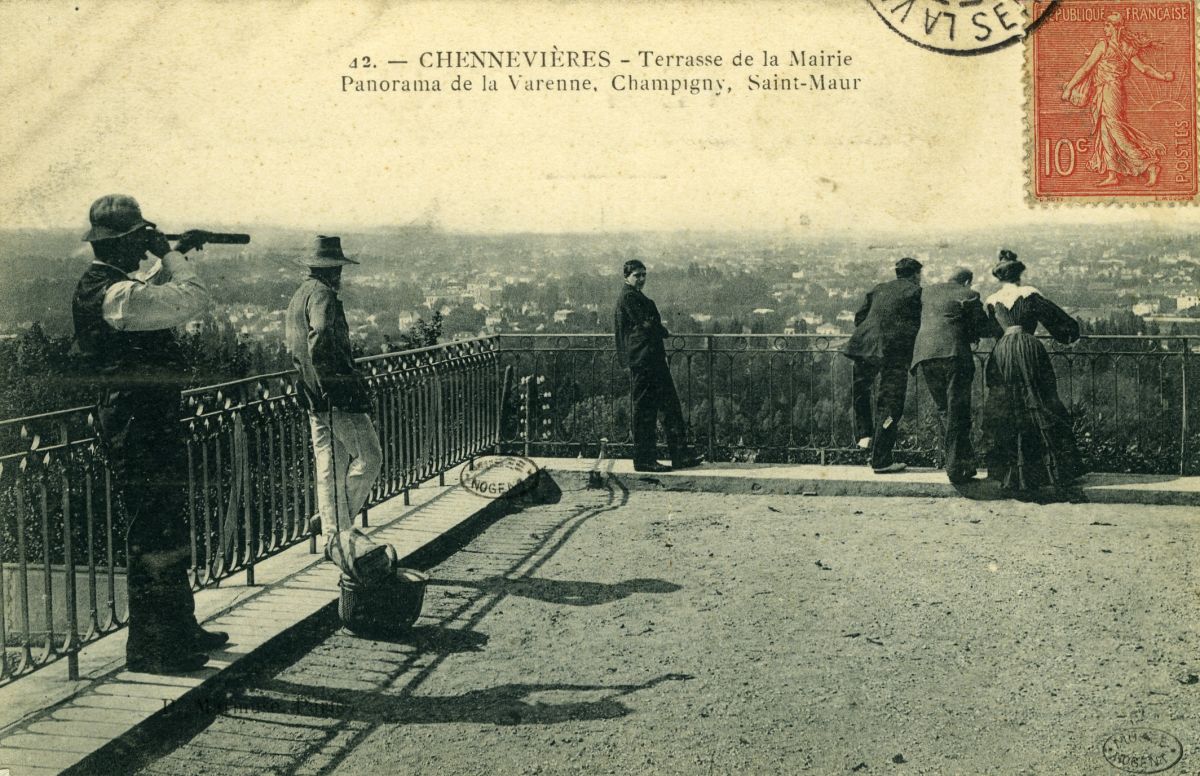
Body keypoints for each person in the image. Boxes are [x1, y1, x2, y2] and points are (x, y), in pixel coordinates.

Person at [72, 194, 227, 674]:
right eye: (137, 239)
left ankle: (179, 628)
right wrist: (171, 255)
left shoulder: (111, 288)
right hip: (136, 426)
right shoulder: (117, 296)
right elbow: (190, 298)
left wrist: (171, 255)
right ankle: (152, 648)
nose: (142, 247)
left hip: (142, 421)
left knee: (166, 527)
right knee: (151, 532)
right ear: (120, 243)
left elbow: (147, 293)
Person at [285, 236, 382, 547]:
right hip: (335, 395)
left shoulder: (299, 295)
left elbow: (296, 347)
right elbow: (322, 334)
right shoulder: (323, 295)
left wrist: (315, 383)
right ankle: (337, 524)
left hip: (311, 394)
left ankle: (331, 532)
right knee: (370, 458)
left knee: (329, 466)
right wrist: (334, 384)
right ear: (333, 269)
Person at [980, 250, 1085, 491]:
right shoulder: (1029, 294)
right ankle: (1050, 470)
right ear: (1019, 275)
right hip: (1029, 350)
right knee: (1041, 400)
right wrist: (1070, 336)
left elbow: (991, 331)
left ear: (999, 277)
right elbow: (1058, 321)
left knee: (1008, 405)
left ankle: (1009, 472)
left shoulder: (992, 301)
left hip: (1003, 354)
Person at [1061, 12, 1174, 187]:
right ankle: (1112, 174)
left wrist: (1069, 87)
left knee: (1115, 131)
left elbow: (1086, 68)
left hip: (1110, 91)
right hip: (1106, 91)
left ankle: (1149, 165)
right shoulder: (1123, 47)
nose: (1104, 29)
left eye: (1107, 25)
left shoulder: (1104, 45)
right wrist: (1163, 76)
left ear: (1116, 27)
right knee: (1105, 131)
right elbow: (1143, 68)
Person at [613, 259, 702, 472]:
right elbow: (647, 324)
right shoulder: (629, 297)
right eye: (637, 275)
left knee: (670, 406)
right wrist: (663, 331)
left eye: (644, 275)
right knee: (646, 411)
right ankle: (644, 460)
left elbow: (647, 323)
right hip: (643, 361)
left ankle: (680, 455)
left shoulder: (633, 296)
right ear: (626, 277)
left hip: (651, 359)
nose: (642, 279)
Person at [910, 267, 991, 483]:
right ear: (967, 282)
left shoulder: (927, 291)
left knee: (945, 410)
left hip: (925, 355)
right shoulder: (969, 294)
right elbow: (982, 325)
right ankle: (955, 468)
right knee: (958, 411)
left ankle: (964, 464)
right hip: (954, 355)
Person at [843, 257, 923, 474]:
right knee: (890, 403)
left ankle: (864, 435)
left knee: (860, 391)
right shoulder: (916, 292)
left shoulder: (879, 288)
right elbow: (919, 323)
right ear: (916, 275)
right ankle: (881, 459)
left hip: (864, 347)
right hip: (893, 353)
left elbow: (860, 317)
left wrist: (873, 336)